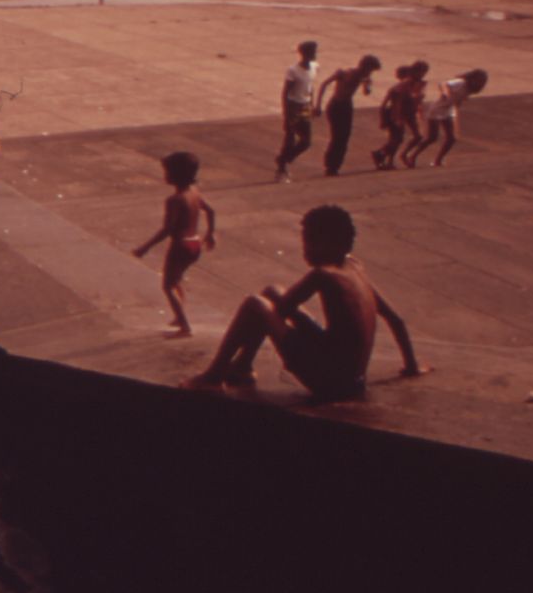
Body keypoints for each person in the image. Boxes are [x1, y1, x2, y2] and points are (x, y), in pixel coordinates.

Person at [182, 205, 425, 400]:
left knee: (255, 304)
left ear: (329, 243)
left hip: (331, 382)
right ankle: (242, 367)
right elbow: (396, 319)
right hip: (351, 376)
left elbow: (277, 312)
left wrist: (262, 323)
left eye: (309, 240)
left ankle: (213, 376)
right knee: (272, 291)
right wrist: (411, 366)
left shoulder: (322, 275)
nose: (305, 248)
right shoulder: (354, 267)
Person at [132, 151, 218, 337]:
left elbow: (167, 230)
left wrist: (145, 247)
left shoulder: (174, 200)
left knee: (168, 285)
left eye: (167, 172)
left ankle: (184, 326)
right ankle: (180, 317)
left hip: (180, 246)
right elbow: (211, 211)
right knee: (176, 279)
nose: (165, 175)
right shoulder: (194, 192)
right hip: (194, 244)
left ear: (176, 174)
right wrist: (210, 234)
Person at [404, 69, 489, 168]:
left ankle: (438, 160)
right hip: (437, 110)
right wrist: (447, 93)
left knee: (451, 138)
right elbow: (444, 84)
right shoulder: (461, 82)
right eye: (479, 79)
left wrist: (458, 104)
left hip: (448, 111)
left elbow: (458, 101)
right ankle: (412, 156)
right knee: (431, 137)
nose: (480, 82)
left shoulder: (471, 89)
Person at [315, 54, 382, 176]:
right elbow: (324, 84)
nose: (370, 73)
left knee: (344, 137)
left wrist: (367, 84)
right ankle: (330, 165)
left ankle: (335, 165)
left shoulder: (362, 77)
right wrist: (318, 105)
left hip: (346, 105)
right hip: (336, 104)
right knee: (337, 136)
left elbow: (366, 93)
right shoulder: (345, 73)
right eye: (370, 69)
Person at [272, 41, 320, 182]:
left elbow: (311, 87)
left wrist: (312, 104)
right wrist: (286, 114)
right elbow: (286, 92)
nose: (315, 55)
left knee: (306, 141)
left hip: (305, 106)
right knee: (290, 139)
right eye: (312, 52)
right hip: (293, 106)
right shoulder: (293, 71)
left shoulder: (315, 67)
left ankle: (283, 159)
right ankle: (282, 169)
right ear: (304, 54)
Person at [370, 63, 423, 171]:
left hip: (403, 115)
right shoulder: (401, 88)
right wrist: (396, 118)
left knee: (398, 139)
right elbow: (397, 104)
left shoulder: (408, 86)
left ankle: (387, 159)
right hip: (396, 116)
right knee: (396, 140)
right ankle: (380, 154)